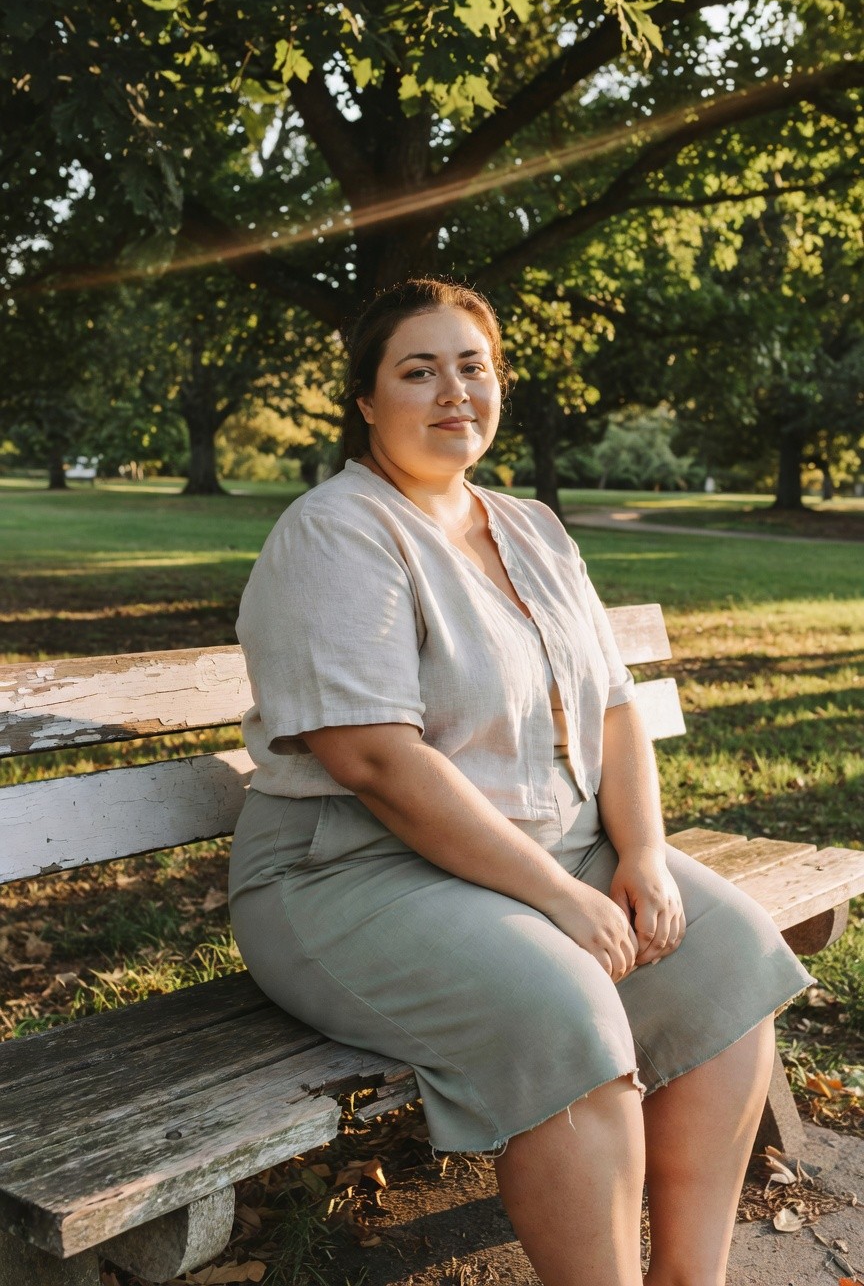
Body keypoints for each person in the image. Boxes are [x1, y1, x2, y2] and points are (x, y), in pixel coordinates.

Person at [229, 277, 811, 1286]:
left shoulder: (532, 526)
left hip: (558, 847)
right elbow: (372, 760)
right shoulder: (338, 532)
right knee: (564, 1008)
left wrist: (642, 858)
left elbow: (615, 708)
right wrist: (560, 898)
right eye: (419, 371)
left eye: (474, 366)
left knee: (730, 957)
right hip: (350, 875)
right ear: (366, 400)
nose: (455, 390)